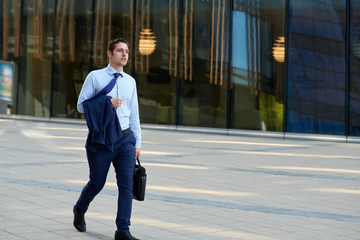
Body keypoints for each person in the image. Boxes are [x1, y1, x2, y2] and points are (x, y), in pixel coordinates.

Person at [73, 38, 141, 240]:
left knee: (126, 185)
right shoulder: (95, 77)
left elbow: (134, 114)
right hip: (101, 139)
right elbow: (80, 106)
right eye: (120, 50)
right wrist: (107, 102)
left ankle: (123, 230)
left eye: (127, 51)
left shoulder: (131, 81)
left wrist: (137, 143)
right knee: (97, 182)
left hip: (125, 139)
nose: (124, 54)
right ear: (109, 54)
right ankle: (79, 208)